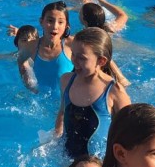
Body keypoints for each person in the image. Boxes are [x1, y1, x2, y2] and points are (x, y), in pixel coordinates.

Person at [56, 28, 131, 158]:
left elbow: (128, 134)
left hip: (98, 163)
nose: (74, 60)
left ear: (101, 61)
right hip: (67, 160)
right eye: (73, 54)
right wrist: (56, 136)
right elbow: (62, 113)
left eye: (82, 58)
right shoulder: (66, 81)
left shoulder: (114, 92)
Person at [16, 1, 73, 98]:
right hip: (39, 102)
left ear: (66, 25)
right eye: (50, 21)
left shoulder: (72, 45)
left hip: (66, 103)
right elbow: (20, 61)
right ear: (41, 22)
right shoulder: (30, 46)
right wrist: (29, 84)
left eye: (60, 22)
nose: (55, 26)